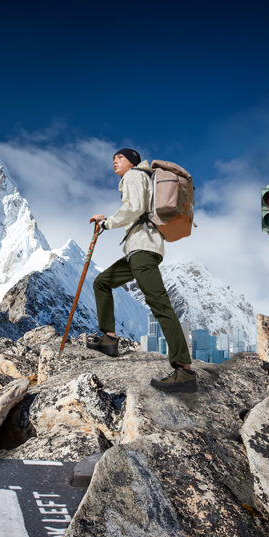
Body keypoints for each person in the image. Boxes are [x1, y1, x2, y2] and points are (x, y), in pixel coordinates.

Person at [87, 148, 196, 391]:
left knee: (160, 305)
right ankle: (109, 339)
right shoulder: (139, 177)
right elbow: (136, 208)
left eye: (120, 158)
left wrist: (107, 223)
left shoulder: (134, 176)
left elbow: (134, 207)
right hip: (139, 251)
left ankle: (184, 370)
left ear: (133, 162)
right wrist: (110, 219)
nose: (115, 161)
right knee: (102, 282)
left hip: (143, 250)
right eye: (113, 158)